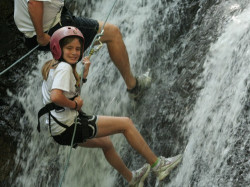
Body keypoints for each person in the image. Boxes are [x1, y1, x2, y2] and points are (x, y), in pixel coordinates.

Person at [38, 26, 182, 186]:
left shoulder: (54, 66)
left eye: (78, 49)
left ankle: (132, 178)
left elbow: (68, 91)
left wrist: (83, 76)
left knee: (106, 143)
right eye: (69, 48)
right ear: (58, 48)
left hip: (59, 131)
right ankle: (158, 166)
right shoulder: (65, 68)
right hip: (69, 126)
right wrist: (74, 104)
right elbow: (56, 96)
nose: (74, 52)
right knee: (126, 124)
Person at [14, 0, 151, 99]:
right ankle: (134, 87)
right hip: (51, 29)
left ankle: (62, 95)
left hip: (28, 35)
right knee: (112, 33)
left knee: (66, 58)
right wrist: (41, 36)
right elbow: (33, 3)